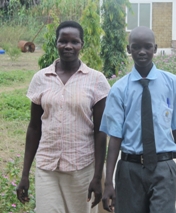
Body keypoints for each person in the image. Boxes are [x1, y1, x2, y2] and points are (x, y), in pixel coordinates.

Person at [16, 21, 111, 213]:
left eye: (74, 41)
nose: (68, 46)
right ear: (56, 43)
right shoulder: (41, 78)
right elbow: (34, 127)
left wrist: (97, 176)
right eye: (63, 41)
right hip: (47, 167)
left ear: (81, 44)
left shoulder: (96, 80)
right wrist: (24, 174)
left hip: (82, 169)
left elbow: (101, 131)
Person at [100, 26, 176, 213]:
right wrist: (108, 182)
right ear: (128, 49)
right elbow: (115, 139)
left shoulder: (173, 84)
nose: (142, 51)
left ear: (156, 48)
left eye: (147, 46)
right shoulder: (119, 89)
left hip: (163, 167)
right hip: (129, 169)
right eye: (136, 47)